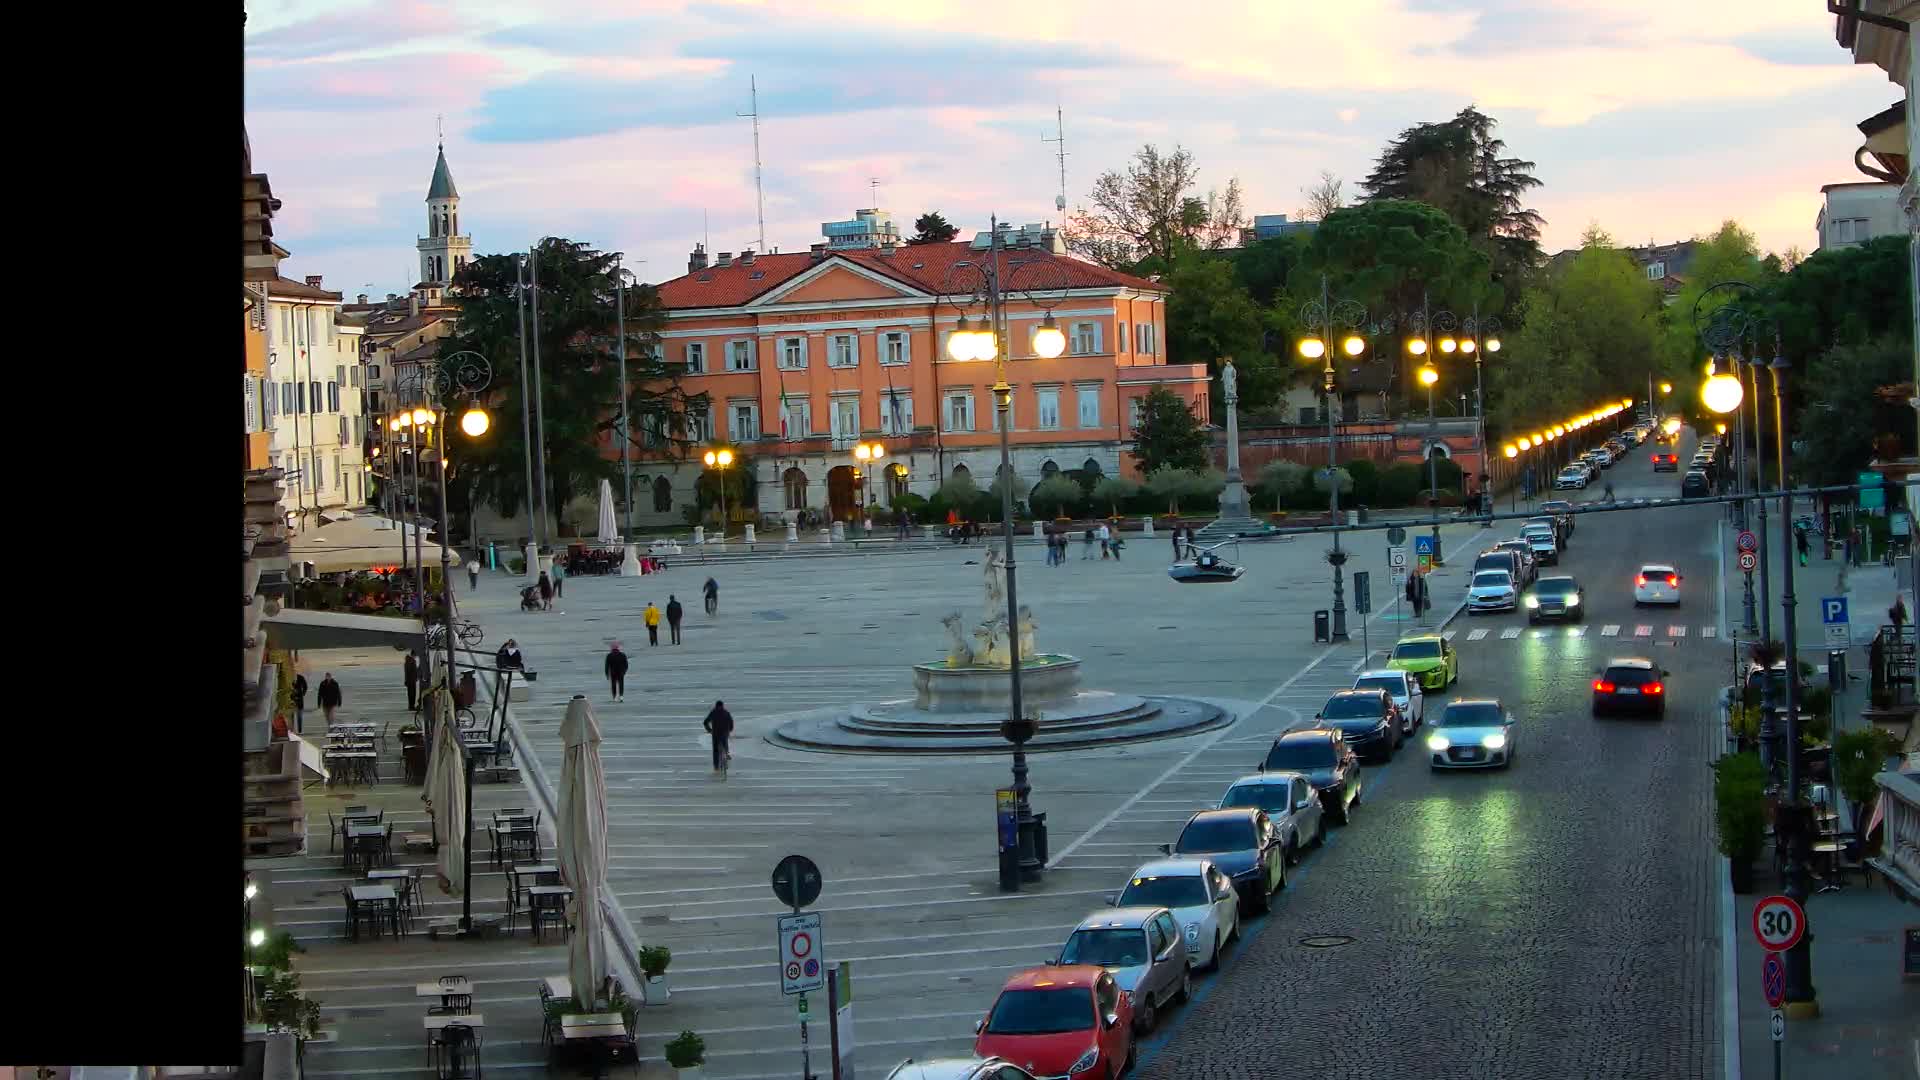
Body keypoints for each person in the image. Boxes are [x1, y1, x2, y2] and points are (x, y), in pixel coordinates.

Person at [703, 699, 734, 775]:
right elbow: (731, 722)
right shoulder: (726, 712)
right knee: (725, 742)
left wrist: (709, 730)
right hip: (724, 732)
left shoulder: (713, 712)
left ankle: (716, 767)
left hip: (715, 733)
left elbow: (705, 722)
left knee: (715, 750)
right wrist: (730, 729)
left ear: (716, 706)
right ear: (723, 706)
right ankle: (727, 753)